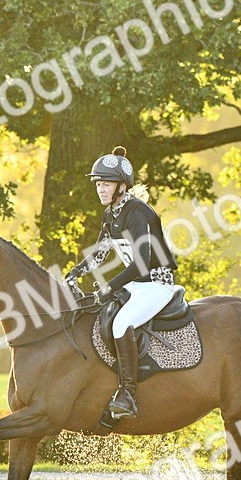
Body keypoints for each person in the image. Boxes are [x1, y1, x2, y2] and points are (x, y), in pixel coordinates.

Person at [64, 146, 179, 421]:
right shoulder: (111, 214)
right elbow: (102, 252)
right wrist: (76, 272)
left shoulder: (137, 213)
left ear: (121, 186)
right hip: (136, 285)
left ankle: (128, 394)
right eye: (99, 185)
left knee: (120, 324)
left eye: (106, 184)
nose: (101, 190)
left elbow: (141, 262)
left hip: (156, 283)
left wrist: (108, 287)